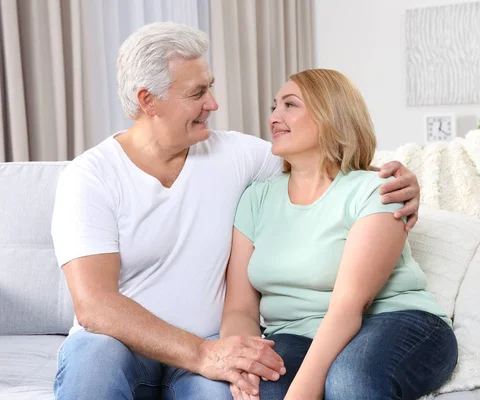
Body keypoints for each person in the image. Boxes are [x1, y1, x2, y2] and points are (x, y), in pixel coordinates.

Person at [51, 23, 422, 399]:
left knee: (231, 394)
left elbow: (324, 167)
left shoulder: (238, 155)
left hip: (215, 345)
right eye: (197, 93)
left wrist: (397, 180)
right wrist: (201, 353)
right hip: (127, 347)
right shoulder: (89, 176)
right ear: (148, 101)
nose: (213, 104)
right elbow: (95, 306)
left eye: (210, 86)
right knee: (92, 362)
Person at [220, 69, 457, 400]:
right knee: (261, 390)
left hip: (394, 320)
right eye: (274, 106)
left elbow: (349, 306)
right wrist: (243, 364)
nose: (274, 117)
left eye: (290, 105)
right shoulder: (256, 198)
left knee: (349, 381)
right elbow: (240, 310)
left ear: (331, 115)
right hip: (295, 333)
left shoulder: (375, 190)